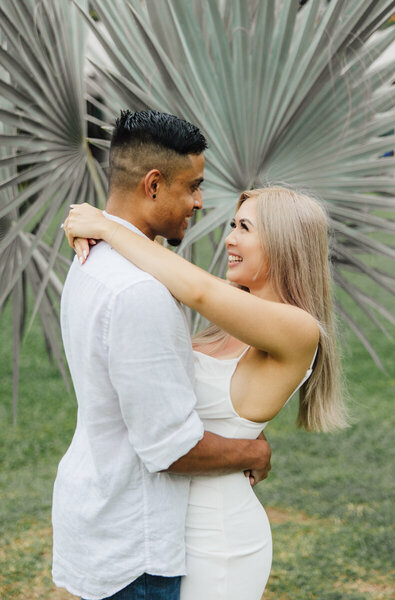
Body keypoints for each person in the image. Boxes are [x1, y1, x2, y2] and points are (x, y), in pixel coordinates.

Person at [64, 186, 349, 600]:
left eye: (245, 228)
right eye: (233, 225)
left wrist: (107, 227)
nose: (229, 238)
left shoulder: (299, 329)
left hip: (218, 540)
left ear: (284, 242)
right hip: (162, 526)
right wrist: (89, 225)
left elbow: (196, 290)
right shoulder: (232, 311)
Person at [52, 109, 272, 600]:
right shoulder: (138, 292)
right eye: (192, 186)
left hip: (99, 512)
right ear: (153, 185)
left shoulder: (93, 257)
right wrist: (253, 451)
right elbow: (170, 449)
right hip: (136, 546)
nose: (199, 202)